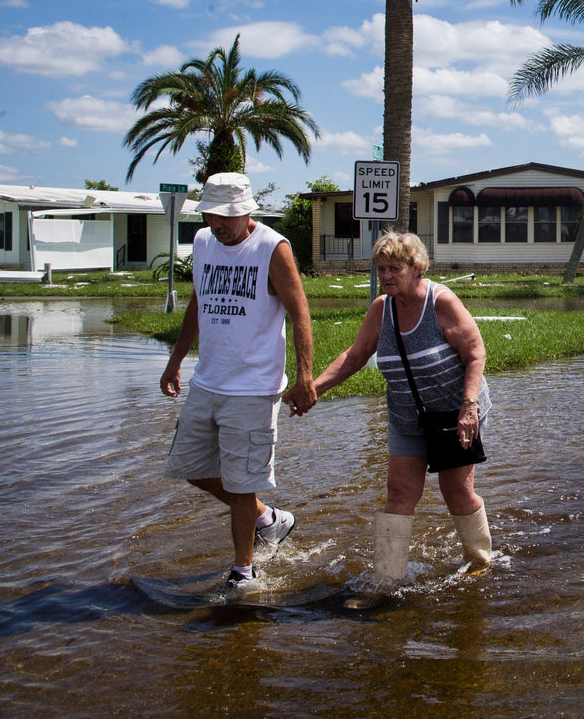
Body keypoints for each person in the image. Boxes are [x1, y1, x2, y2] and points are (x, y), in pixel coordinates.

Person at [160, 172, 316, 590]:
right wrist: (175, 360)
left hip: (254, 386)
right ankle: (268, 519)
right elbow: (199, 301)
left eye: (228, 217)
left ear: (248, 211)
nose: (220, 225)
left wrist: (304, 376)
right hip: (208, 380)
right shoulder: (203, 243)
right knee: (190, 467)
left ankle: (243, 570)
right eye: (213, 216)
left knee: (242, 481)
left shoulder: (272, 248)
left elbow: (300, 313)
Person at [314, 230, 492, 581]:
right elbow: (354, 356)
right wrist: (313, 389)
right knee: (398, 493)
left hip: (455, 414)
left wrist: (469, 406)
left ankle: (481, 561)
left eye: (394, 268)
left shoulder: (441, 302)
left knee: (455, 491)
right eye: (380, 269)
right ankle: (386, 577)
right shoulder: (381, 309)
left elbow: (475, 353)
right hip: (407, 417)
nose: (386, 276)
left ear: (416, 268)